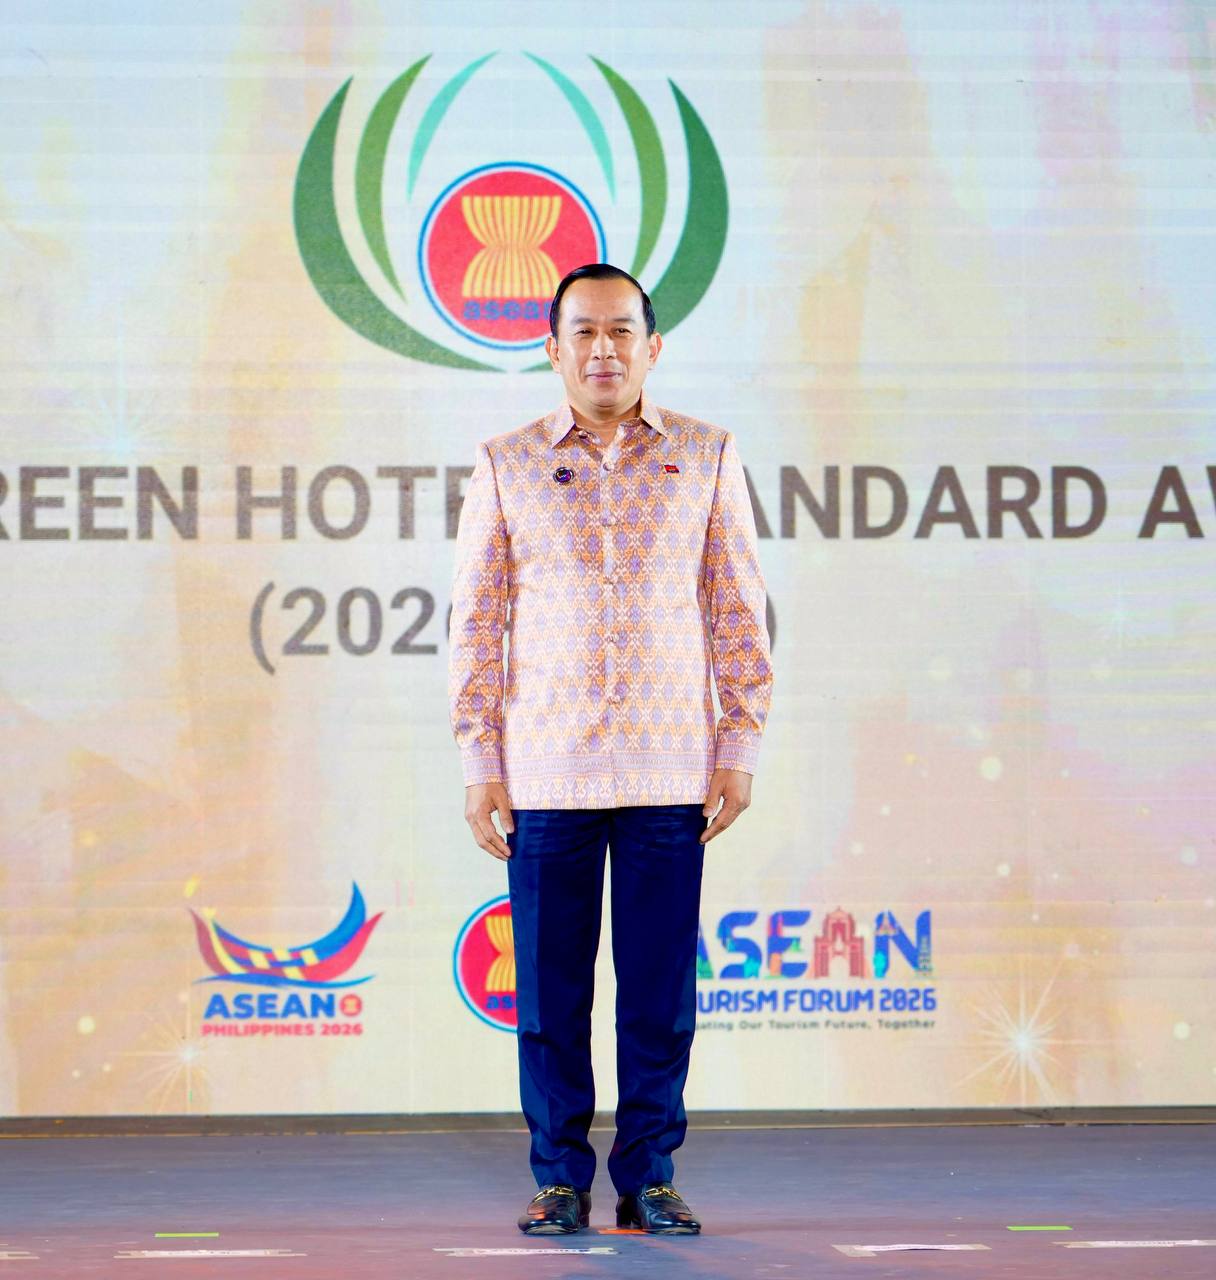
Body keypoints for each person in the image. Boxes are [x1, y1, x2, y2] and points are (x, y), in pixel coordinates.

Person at [447, 263, 773, 1236]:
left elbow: (737, 609)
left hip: (671, 768)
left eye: (621, 331)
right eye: (582, 332)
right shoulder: (505, 462)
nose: (603, 350)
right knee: (551, 997)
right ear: (551, 349)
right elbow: (476, 624)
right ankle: (558, 1179)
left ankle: (649, 1176)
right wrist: (480, 763)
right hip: (546, 770)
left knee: (658, 994)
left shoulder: (706, 455)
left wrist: (739, 743)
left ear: (652, 346)